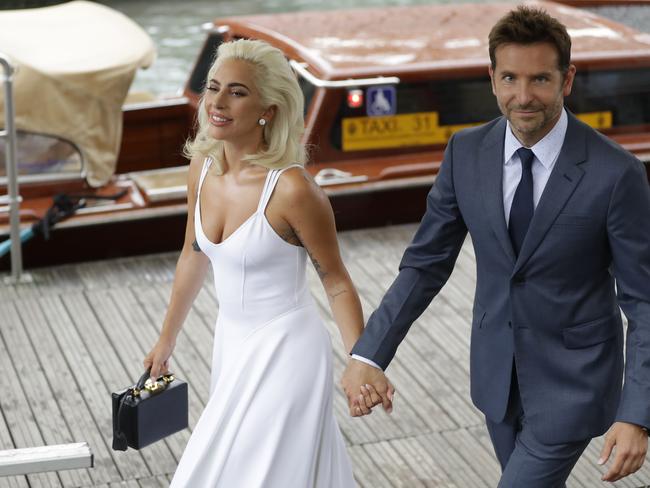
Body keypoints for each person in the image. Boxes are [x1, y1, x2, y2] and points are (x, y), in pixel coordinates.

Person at [341, 5, 650, 487]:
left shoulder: (617, 175)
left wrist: (637, 414)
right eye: (509, 78)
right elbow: (425, 264)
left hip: (575, 383)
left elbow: (644, 301)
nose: (523, 97)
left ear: (567, 80)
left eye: (540, 80)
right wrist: (368, 355)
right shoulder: (465, 153)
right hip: (495, 379)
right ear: (491, 77)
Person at [144, 38, 360, 487]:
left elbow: (335, 280)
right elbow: (193, 252)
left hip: (288, 350)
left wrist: (363, 360)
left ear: (269, 109)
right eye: (214, 87)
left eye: (237, 92)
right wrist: (166, 340)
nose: (217, 103)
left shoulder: (293, 191)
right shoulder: (202, 166)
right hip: (231, 344)